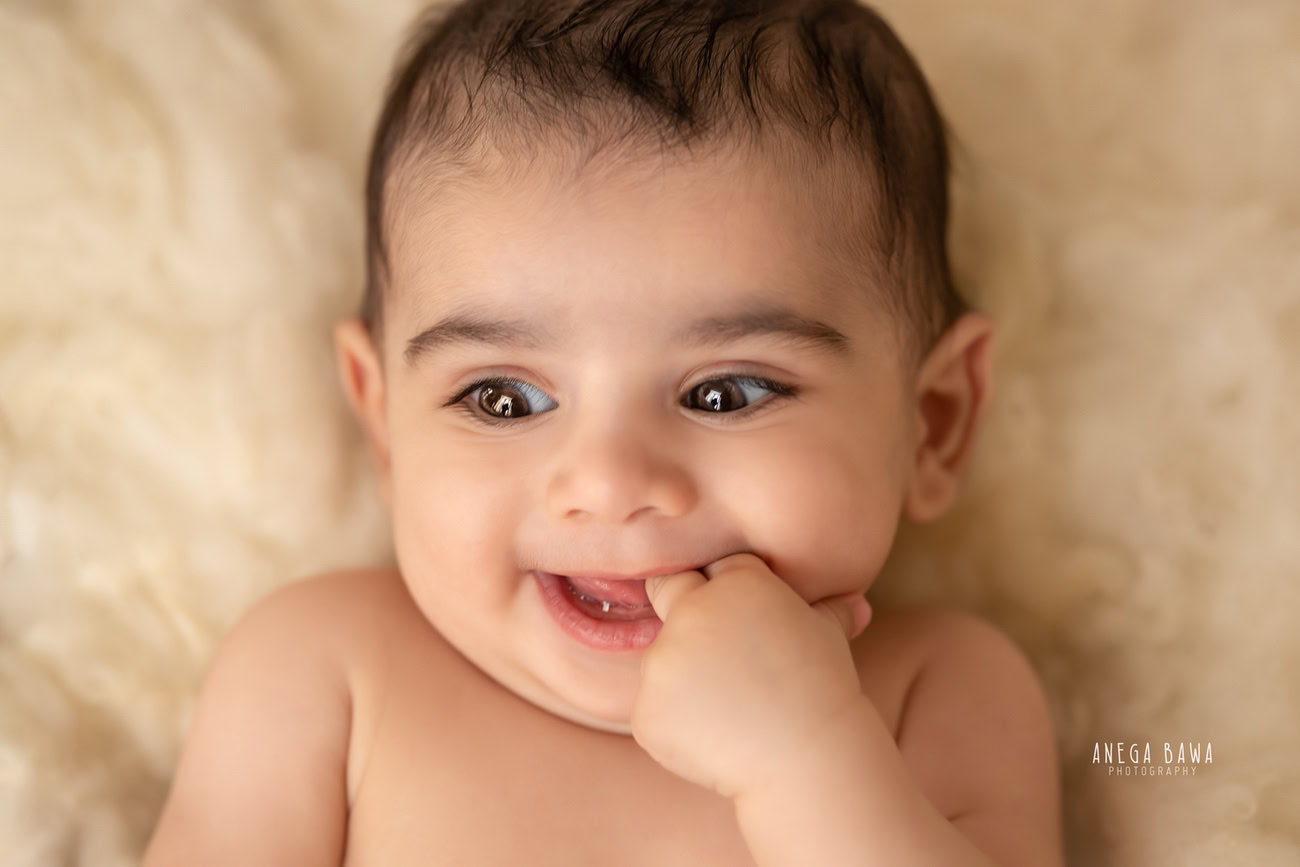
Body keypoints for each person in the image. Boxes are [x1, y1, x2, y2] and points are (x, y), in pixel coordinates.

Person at [143, 1, 1065, 863]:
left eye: (727, 392)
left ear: (931, 422)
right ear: (383, 424)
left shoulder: (936, 693)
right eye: (503, 397)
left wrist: (808, 754)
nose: (612, 480)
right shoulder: (324, 672)